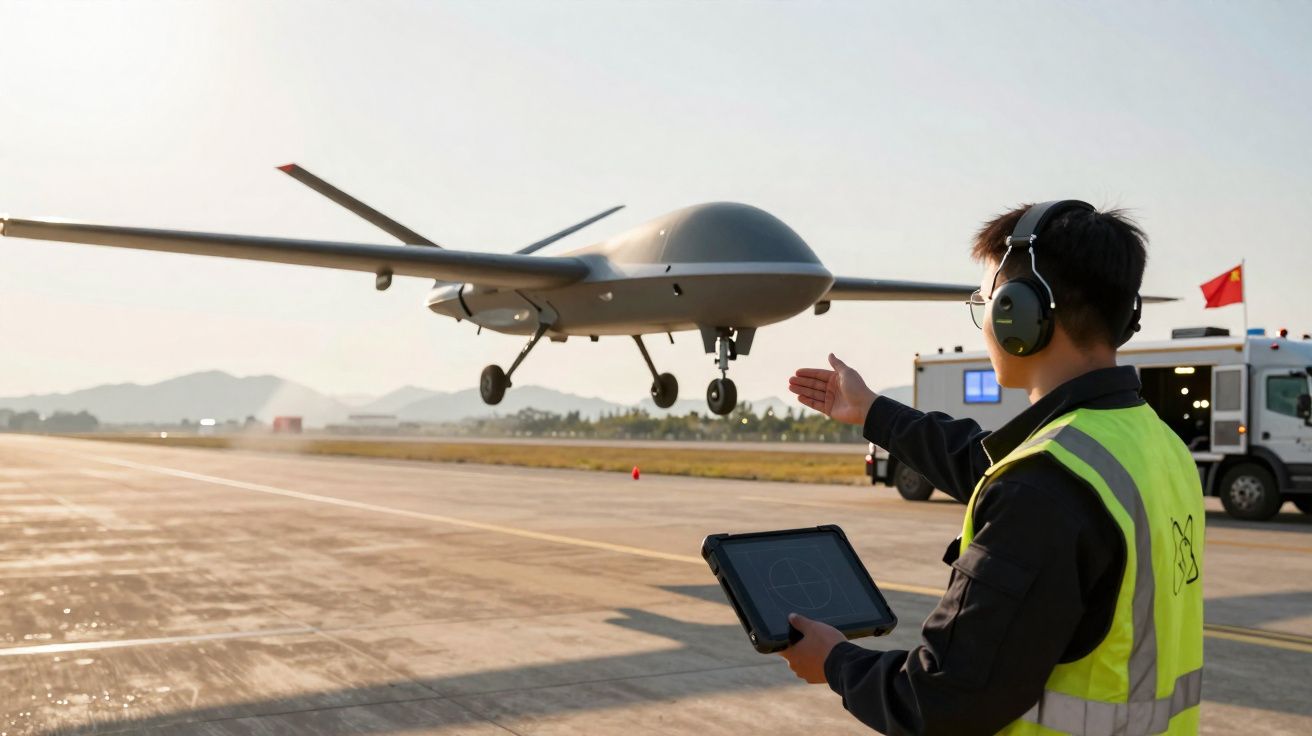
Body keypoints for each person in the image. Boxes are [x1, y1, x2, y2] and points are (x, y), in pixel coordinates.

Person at [782, 201, 1205, 735]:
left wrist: (837, 662)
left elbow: (945, 696)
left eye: (987, 302)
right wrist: (871, 412)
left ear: (1020, 314)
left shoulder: (1045, 485)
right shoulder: (1153, 445)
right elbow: (985, 464)